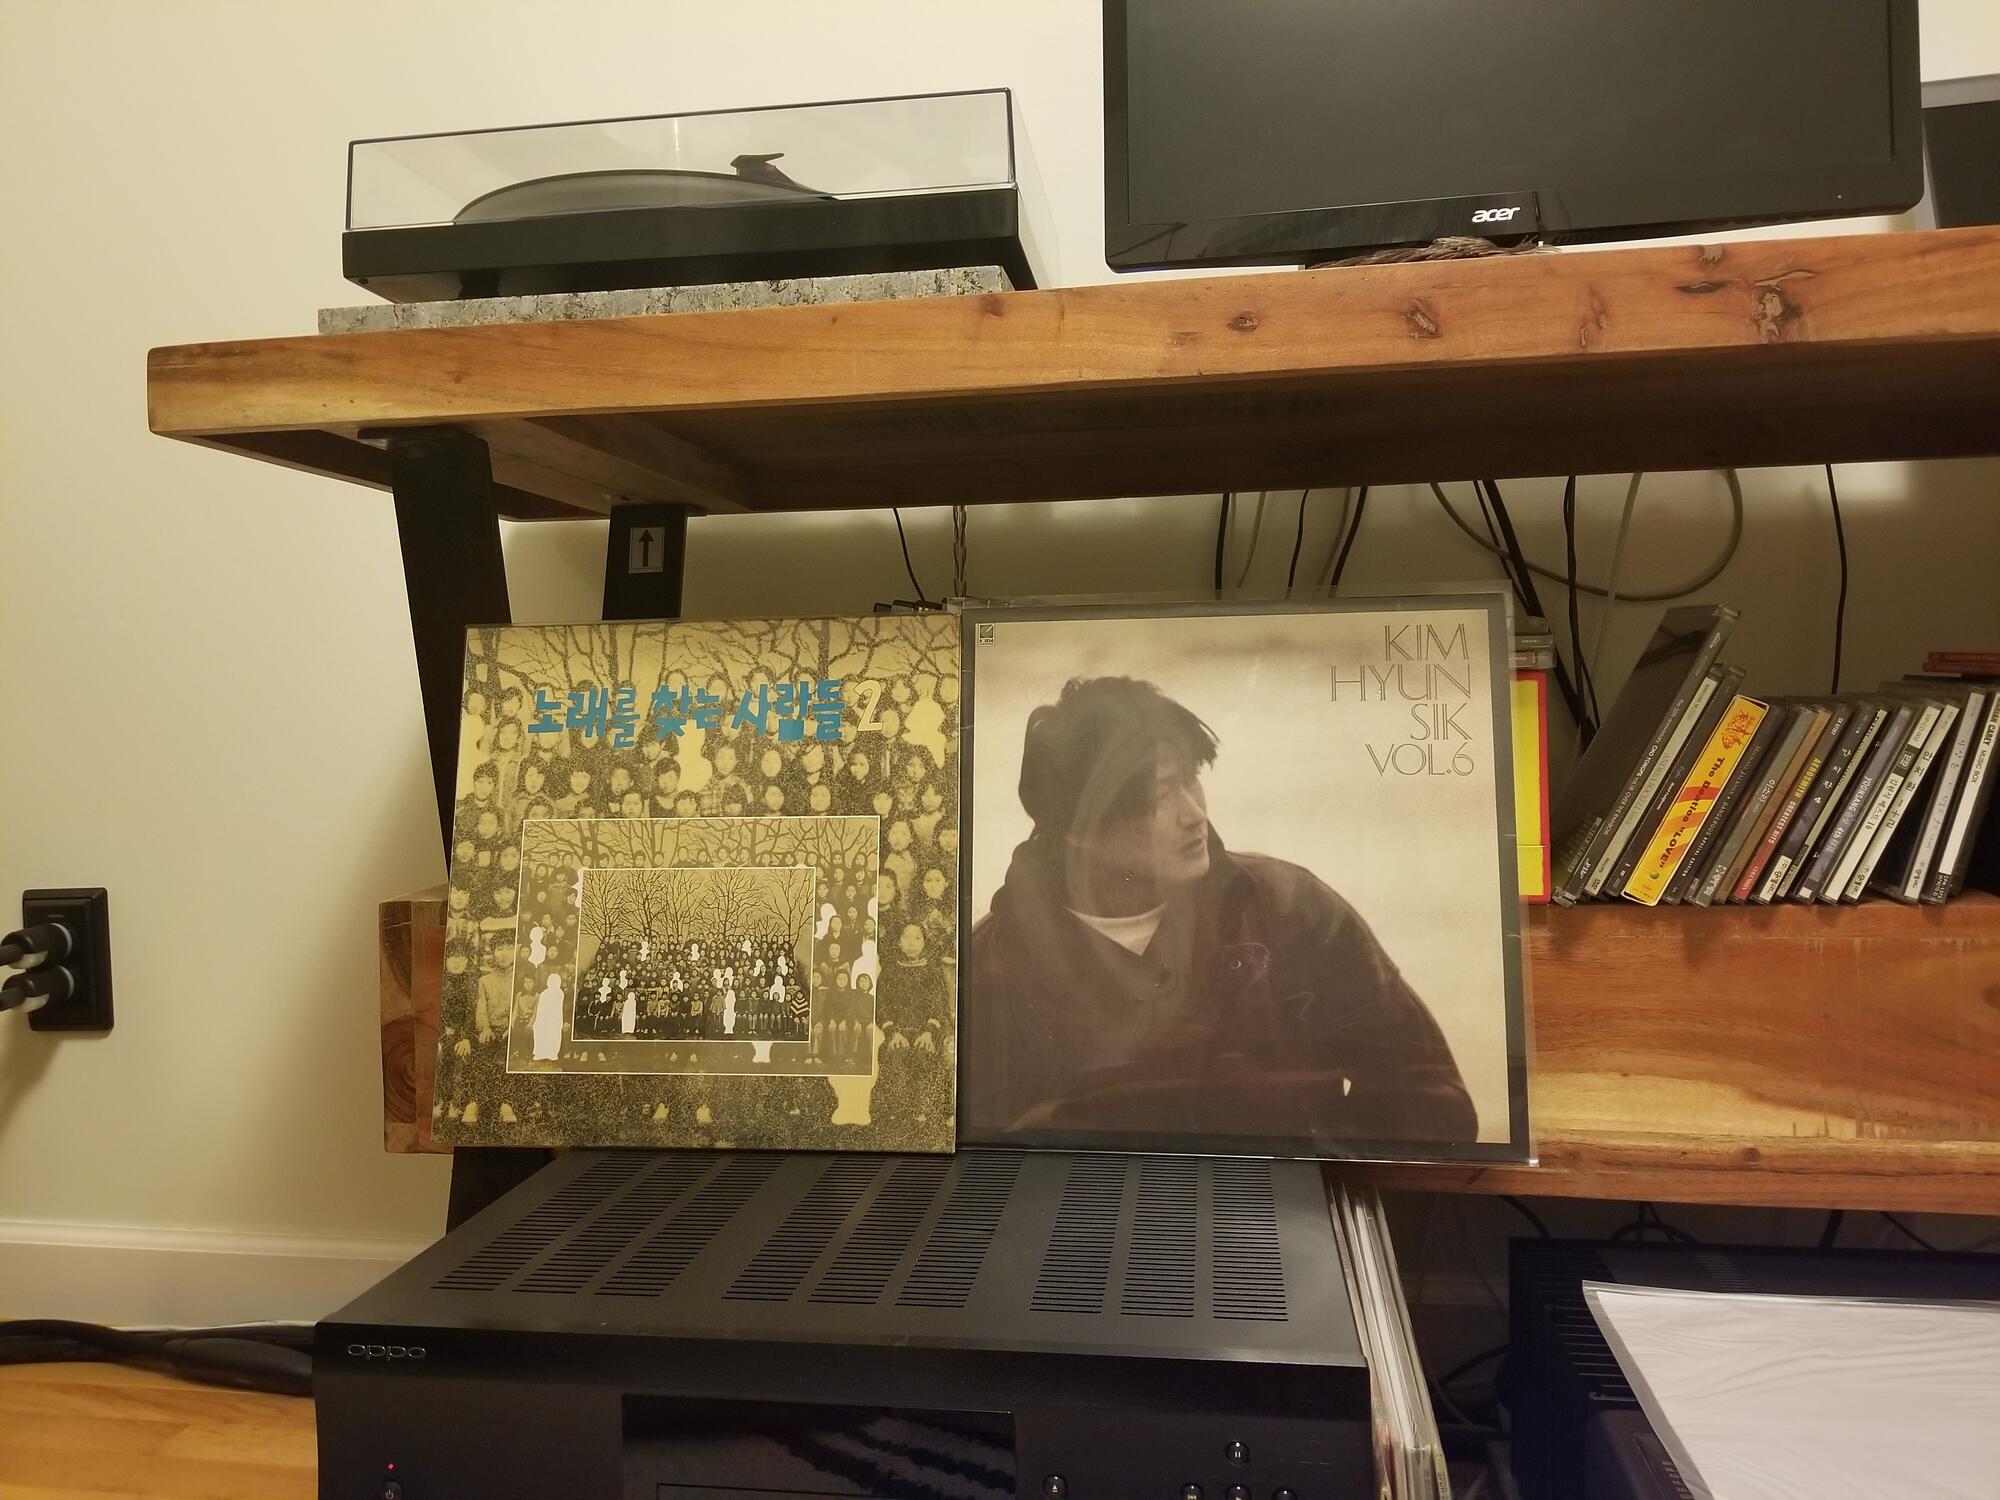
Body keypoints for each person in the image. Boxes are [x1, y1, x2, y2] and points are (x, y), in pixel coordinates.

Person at [966, 676, 1474, 1146]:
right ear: (1080, 827)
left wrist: (1294, 1166)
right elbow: (978, 1163)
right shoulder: (988, 972)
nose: (1194, 815)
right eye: (1160, 795)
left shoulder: (1290, 909)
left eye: (1190, 779)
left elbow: (1433, 1103)